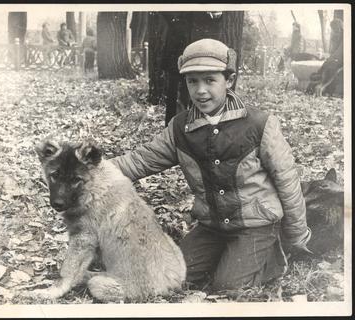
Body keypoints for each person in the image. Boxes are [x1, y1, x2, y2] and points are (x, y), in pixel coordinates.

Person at [110, 39, 311, 291]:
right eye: (192, 81)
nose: (200, 90)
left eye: (209, 80)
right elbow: (139, 161)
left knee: (228, 286)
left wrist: (296, 235)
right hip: (212, 226)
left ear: (229, 80)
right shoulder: (180, 128)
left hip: (256, 225)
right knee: (174, 276)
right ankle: (224, 256)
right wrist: (86, 170)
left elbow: (287, 180)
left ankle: (269, 255)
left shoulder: (260, 125)